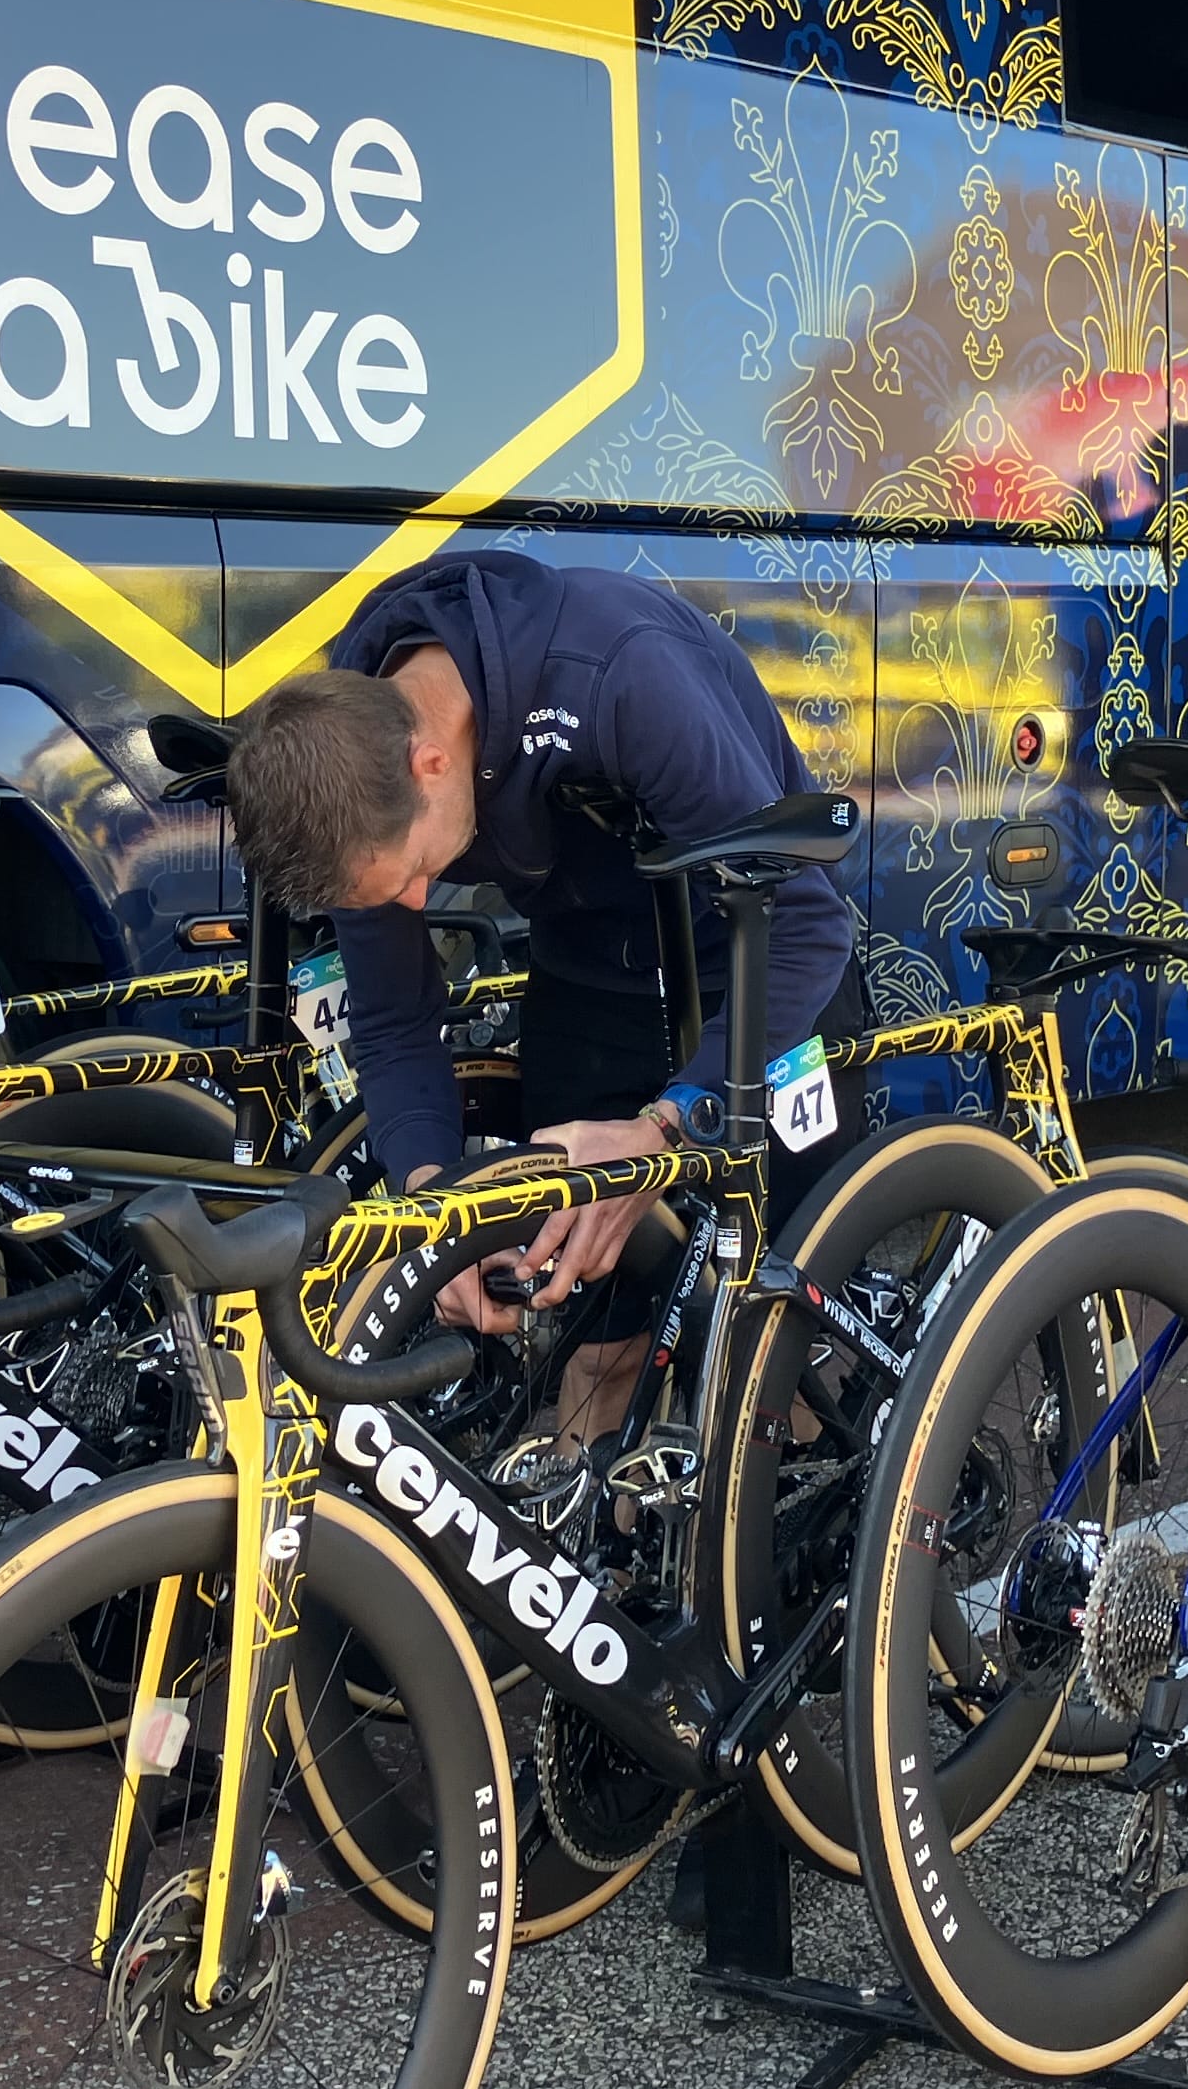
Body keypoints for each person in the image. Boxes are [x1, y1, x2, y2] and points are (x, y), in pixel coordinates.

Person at [228, 552, 864, 1442]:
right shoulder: (352, 764)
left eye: (415, 873)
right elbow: (392, 1017)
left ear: (431, 761)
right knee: (597, 1344)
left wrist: (663, 1132)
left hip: (754, 959)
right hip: (593, 969)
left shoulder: (619, 671)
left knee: (769, 1362)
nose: (416, 903)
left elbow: (811, 928)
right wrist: (431, 1212)